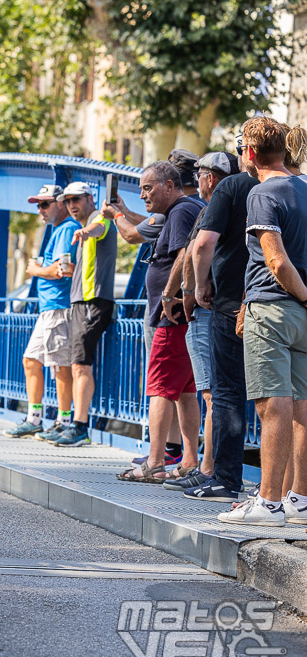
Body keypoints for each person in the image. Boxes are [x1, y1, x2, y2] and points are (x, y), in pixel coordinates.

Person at [217, 117, 307, 525]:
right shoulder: (305, 189)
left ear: (251, 153)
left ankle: (268, 502)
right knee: (303, 405)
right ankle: (299, 500)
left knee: (273, 403)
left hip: (272, 308)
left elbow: (275, 260)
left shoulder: (262, 192)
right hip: (303, 316)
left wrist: (303, 293)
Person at [110, 162, 201, 482]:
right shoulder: (188, 208)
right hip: (186, 316)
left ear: (169, 185)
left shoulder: (179, 212)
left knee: (161, 388)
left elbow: (183, 255)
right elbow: (141, 229)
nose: (142, 194)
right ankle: (189, 460)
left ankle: (154, 462)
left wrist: (169, 294)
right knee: (186, 391)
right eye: (141, 188)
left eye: (148, 188)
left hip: (172, 316)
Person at [161, 151, 241, 494]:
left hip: (210, 308)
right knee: (219, 392)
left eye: (203, 174)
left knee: (212, 392)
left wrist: (186, 292)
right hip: (231, 305)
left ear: (209, 178)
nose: (200, 180)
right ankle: (205, 465)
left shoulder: (215, 206)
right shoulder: (246, 198)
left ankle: (208, 468)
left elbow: (195, 248)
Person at [4, 184, 79, 439]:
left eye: (45, 204)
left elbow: (62, 269)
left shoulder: (68, 227)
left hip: (60, 307)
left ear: (61, 203)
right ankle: (35, 418)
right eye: (38, 205)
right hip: (49, 308)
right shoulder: (58, 229)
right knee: (31, 360)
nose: (40, 210)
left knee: (60, 366)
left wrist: (35, 269)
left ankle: (63, 421)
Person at [52, 182, 116, 447]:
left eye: (76, 199)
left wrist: (86, 231)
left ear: (91, 198)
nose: (71, 205)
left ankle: (80, 426)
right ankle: (72, 423)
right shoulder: (84, 226)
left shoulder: (99, 219)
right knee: (76, 364)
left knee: (80, 365)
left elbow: (98, 229)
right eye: (67, 202)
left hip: (93, 302)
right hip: (82, 302)